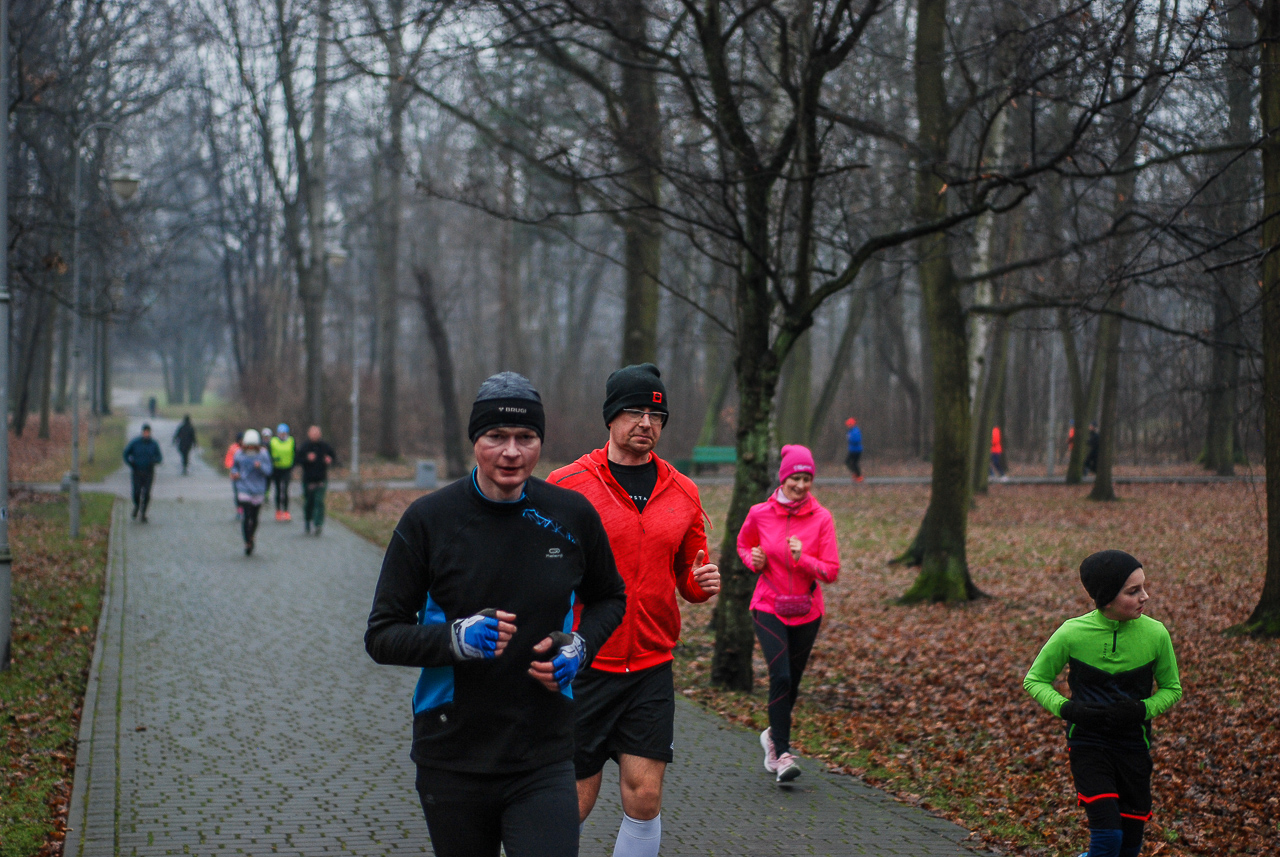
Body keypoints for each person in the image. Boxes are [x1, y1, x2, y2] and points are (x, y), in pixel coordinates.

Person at [365, 372, 627, 857]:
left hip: (543, 752)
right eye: (496, 437)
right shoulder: (429, 521)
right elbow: (381, 635)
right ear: (474, 442)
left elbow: (611, 597)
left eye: (525, 438)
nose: (511, 452)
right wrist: (455, 639)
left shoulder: (570, 516)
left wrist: (582, 646)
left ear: (540, 442)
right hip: (453, 753)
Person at [548, 362, 720, 857]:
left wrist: (701, 584)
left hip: (649, 666)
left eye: (656, 414)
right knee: (573, 800)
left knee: (644, 796)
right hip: (583, 662)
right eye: (634, 412)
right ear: (610, 417)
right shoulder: (567, 483)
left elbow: (690, 575)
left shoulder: (683, 491)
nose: (646, 423)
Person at [1024, 550, 1182, 857]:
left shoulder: (1156, 634)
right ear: (1107, 597)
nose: (1145, 597)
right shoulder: (1072, 632)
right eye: (1133, 591)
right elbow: (1035, 680)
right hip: (1088, 745)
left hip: (1134, 747)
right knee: (1108, 838)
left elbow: (1172, 689)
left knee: (1128, 848)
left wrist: (1142, 709)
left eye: (1143, 587)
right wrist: (1069, 709)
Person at [737, 444, 840, 784]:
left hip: (807, 611)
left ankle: (772, 737)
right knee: (780, 676)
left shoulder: (821, 518)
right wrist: (754, 561)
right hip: (768, 605)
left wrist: (803, 559)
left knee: (791, 683)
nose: (801, 485)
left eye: (807, 479)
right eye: (796, 477)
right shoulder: (759, 513)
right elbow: (743, 544)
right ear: (783, 478)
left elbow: (831, 571)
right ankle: (782, 754)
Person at [230, 429, 273, 556]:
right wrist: (234, 474)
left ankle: (252, 535)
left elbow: (269, 471)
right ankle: (247, 542)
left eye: (253, 445)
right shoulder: (239, 454)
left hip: (258, 489)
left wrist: (261, 467)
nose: (250, 448)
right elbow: (234, 468)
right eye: (248, 445)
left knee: (254, 517)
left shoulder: (263, 454)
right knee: (246, 516)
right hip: (244, 488)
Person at [296, 425, 337, 535]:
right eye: (313, 433)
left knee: (319, 502)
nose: (315, 435)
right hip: (308, 480)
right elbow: (297, 460)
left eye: (317, 433)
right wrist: (306, 459)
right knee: (309, 502)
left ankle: (318, 524)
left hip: (321, 479)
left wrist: (330, 460)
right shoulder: (305, 446)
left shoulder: (325, 446)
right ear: (309, 434)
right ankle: (308, 521)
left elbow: (334, 457)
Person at [123, 423, 163, 522]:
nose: (146, 434)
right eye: (145, 432)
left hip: (149, 472)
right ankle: (136, 505)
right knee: (136, 492)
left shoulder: (154, 444)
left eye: (148, 432)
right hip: (137, 471)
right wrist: (130, 463)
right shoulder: (135, 443)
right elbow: (126, 453)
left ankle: (143, 513)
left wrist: (154, 461)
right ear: (142, 432)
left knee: (146, 493)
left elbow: (159, 457)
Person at [269, 423, 296, 522]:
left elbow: (294, 454)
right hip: (276, 469)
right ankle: (278, 511)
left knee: (285, 490)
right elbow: (269, 454)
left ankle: (286, 511)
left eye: (284, 433)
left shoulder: (291, 441)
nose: (282, 435)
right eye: (280, 433)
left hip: (287, 469)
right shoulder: (273, 442)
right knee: (278, 490)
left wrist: (293, 466)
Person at [224, 432, 244, 520]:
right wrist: (233, 469)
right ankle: (239, 510)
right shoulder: (233, 448)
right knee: (237, 494)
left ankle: (245, 509)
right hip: (235, 475)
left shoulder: (247, 448)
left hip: (245, 475)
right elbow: (228, 461)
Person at [844, 417, 863, 483]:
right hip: (852, 450)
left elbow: (857, 440)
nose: (848, 426)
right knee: (849, 462)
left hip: (856, 450)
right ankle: (856, 474)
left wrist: (850, 439)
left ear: (852, 424)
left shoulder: (855, 430)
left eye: (849, 424)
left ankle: (859, 476)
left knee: (852, 463)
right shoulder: (851, 430)